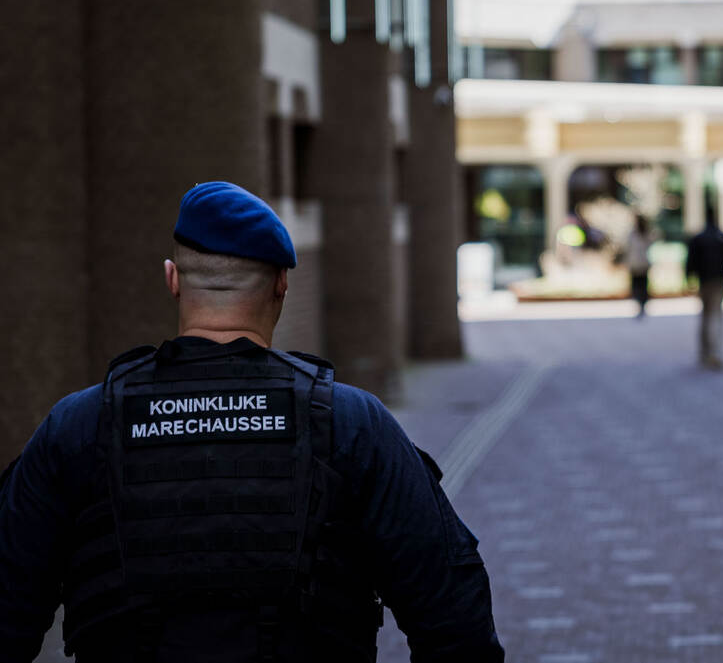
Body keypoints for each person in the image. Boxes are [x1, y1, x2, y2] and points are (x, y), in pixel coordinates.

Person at [0, 181, 505, 663]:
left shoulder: (78, 425)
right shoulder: (353, 424)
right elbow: (454, 618)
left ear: (173, 279)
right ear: (282, 285)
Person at [685, 209, 723, 369]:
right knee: (715, 316)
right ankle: (713, 353)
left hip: (705, 281)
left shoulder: (699, 238)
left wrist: (689, 279)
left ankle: (705, 352)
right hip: (718, 281)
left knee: (706, 317)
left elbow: (689, 262)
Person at [625, 213, 657, 317]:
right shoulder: (633, 234)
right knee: (636, 286)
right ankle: (639, 303)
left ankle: (642, 304)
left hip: (641, 264)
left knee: (642, 285)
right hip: (635, 264)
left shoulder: (645, 234)